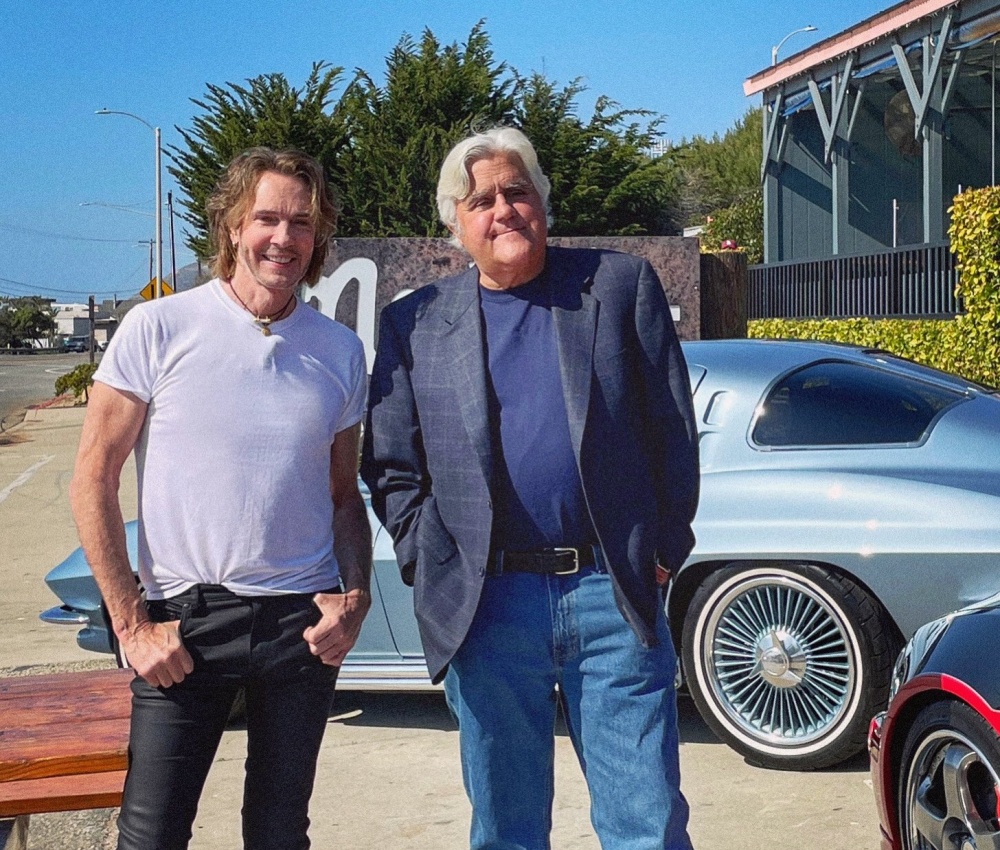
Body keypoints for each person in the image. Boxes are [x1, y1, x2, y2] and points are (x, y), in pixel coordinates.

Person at [361, 126, 700, 849]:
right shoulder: (415, 322)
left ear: (542, 202)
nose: (503, 209)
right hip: (486, 607)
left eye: (517, 191)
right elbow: (392, 466)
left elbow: (672, 430)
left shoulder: (616, 285)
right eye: (482, 200)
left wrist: (663, 551)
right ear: (456, 222)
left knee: (646, 822)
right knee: (506, 829)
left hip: (611, 595)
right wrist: (434, 564)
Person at [70, 147, 371, 850]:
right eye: (266, 218)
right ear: (233, 226)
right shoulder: (159, 328)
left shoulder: (338, 350)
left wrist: (353, 600)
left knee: (278, 835)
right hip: (186, 624)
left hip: (301, 628)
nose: (284, 238)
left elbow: (342, 495)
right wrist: (132, 626)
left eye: (302, 222)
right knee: (151, 837)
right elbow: (92, 479)